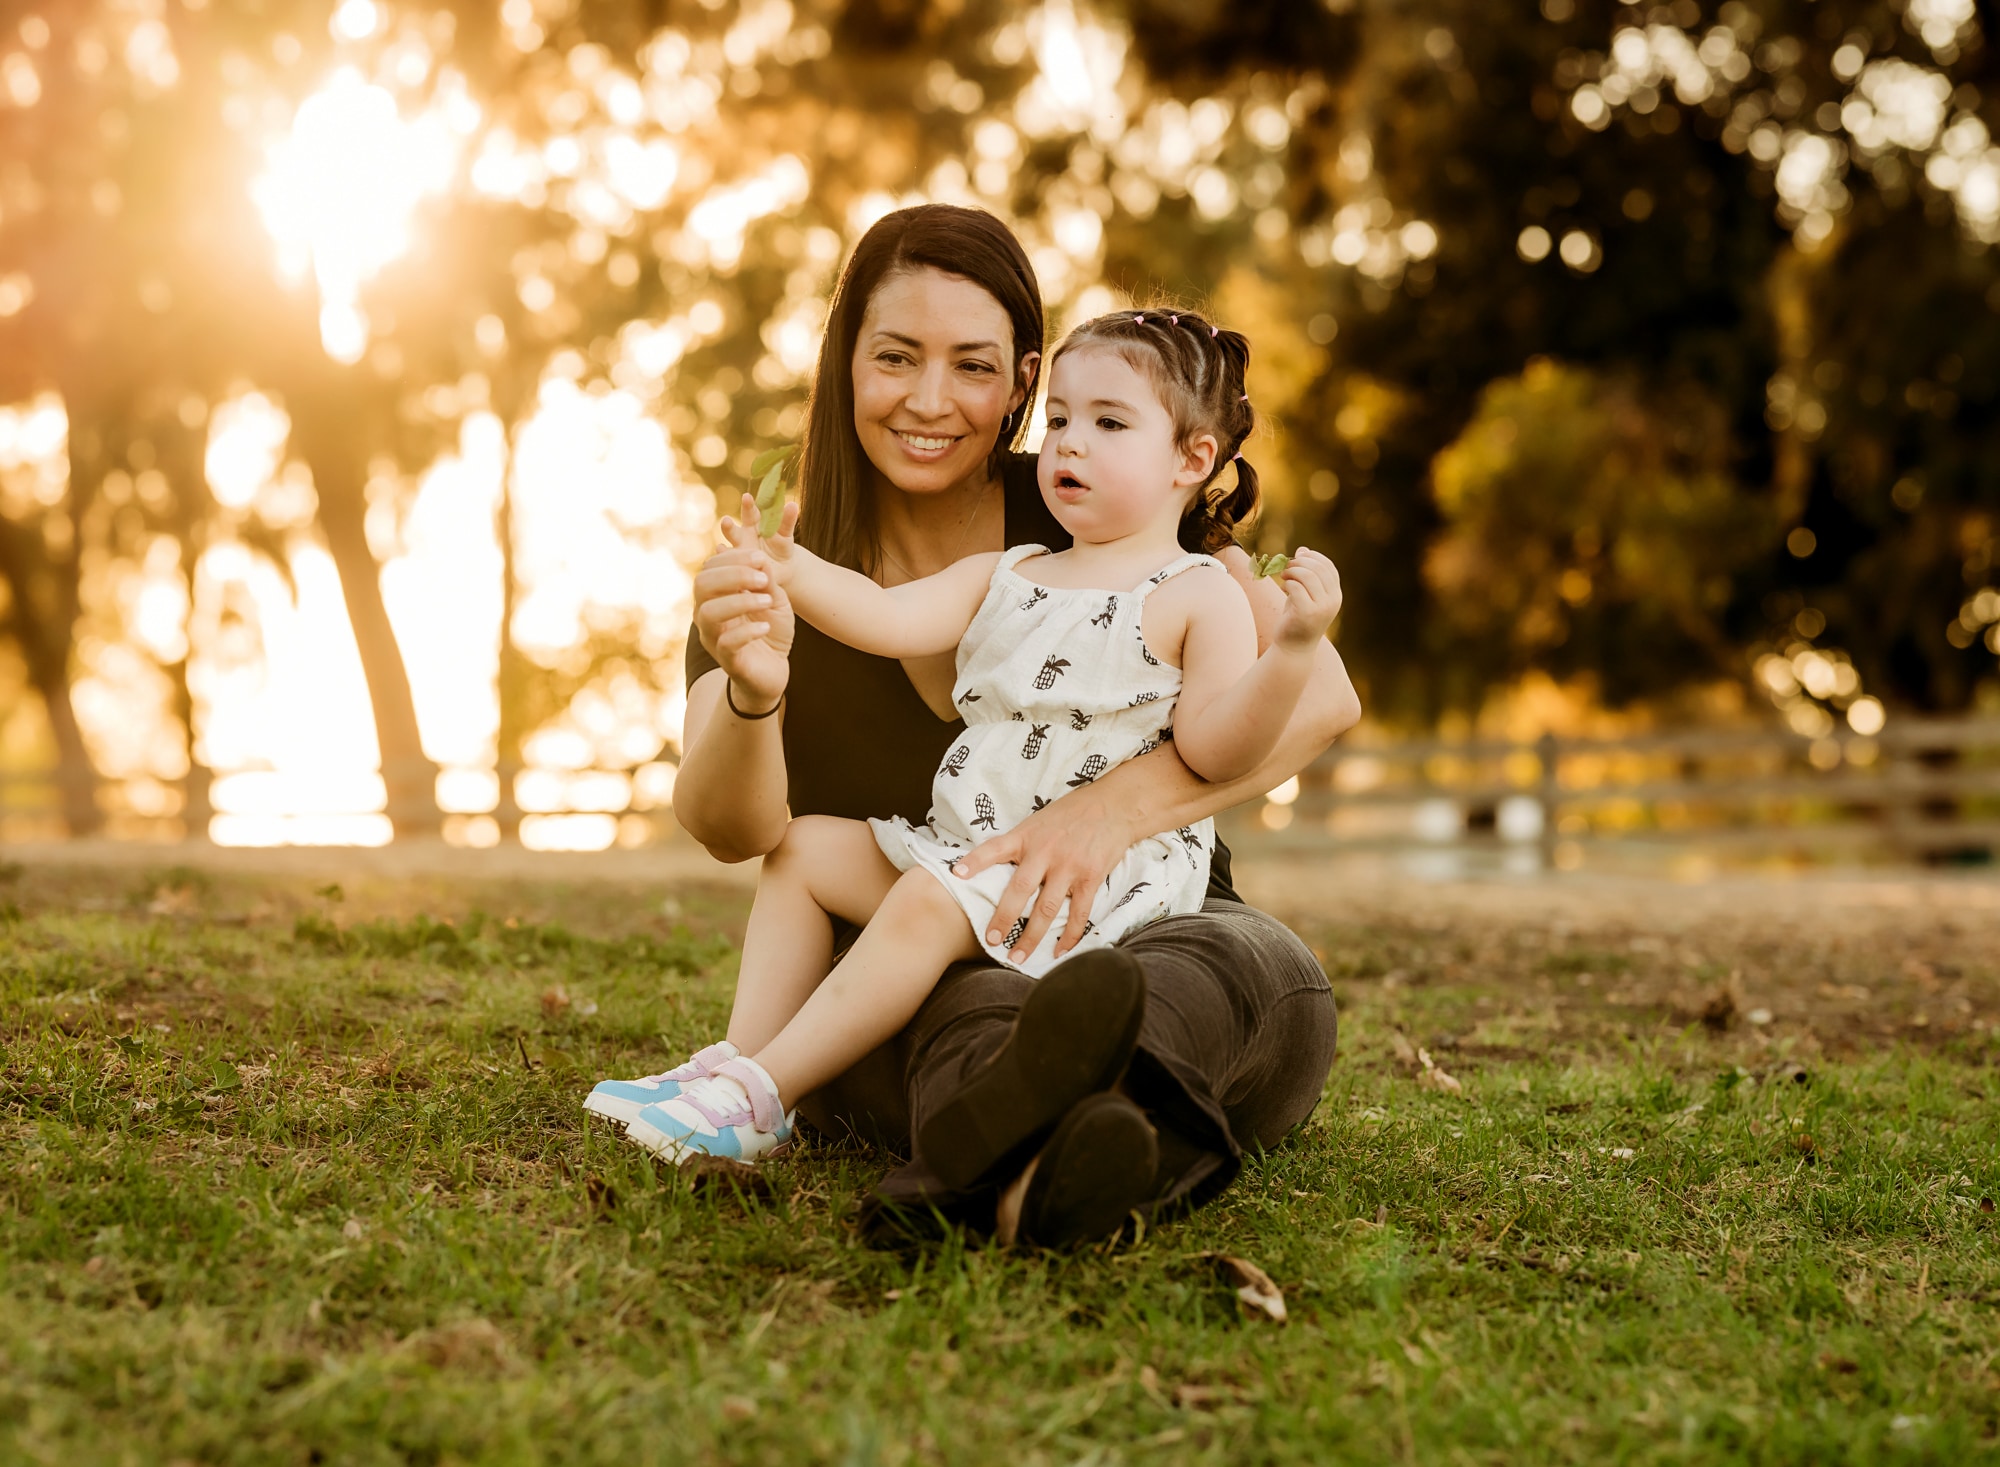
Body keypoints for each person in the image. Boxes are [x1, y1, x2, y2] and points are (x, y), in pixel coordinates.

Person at [593, 203, 1360, 1245]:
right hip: (928, 941)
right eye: (896, 357)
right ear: (844, 363)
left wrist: (1108, 811)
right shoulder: (825, 583)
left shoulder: (1105, 511)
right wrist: (758, 679)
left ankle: (1013, 1161)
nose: (929, 399)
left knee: (1202, 979)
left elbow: (1318, 700)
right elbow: (735, 827)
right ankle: (1006, 1167)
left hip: (1145, 919)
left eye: (972, 366)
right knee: (968, 1018)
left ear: (1021, 378)